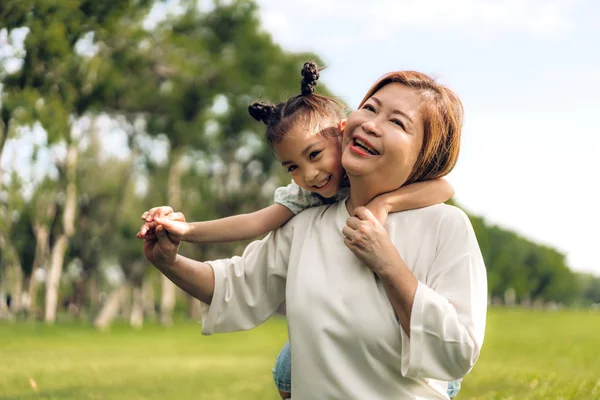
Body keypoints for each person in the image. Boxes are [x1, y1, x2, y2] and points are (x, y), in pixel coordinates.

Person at [141, 70, 488, 399]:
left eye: (397, 122)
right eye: (369, 108)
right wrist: (169, 261)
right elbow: (235, 285)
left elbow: (456, 351)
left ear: (425, 155)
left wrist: (389, 264)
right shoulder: (305, 222)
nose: (371, 124)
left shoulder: (445, 227)